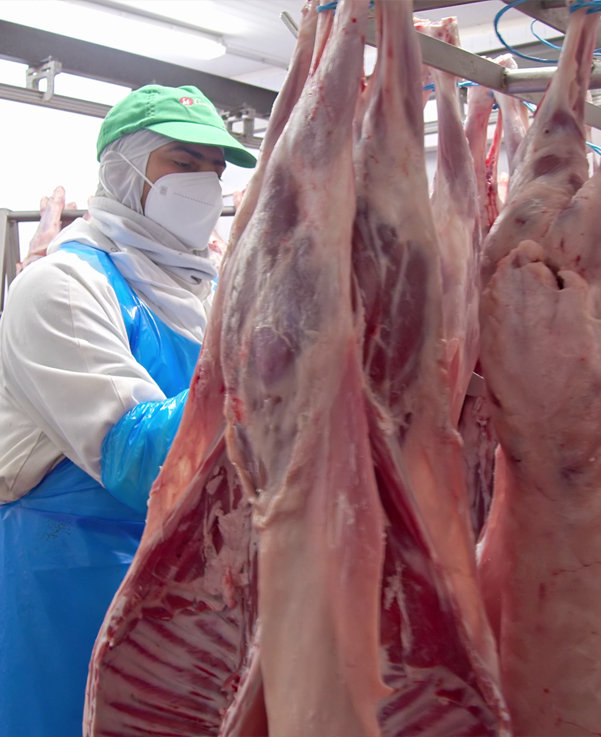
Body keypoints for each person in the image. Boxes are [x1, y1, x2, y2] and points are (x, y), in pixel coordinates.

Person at [0, 84, 256, 737]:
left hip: (191, 570)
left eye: (214, 170)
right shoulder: (62, 286)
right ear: (125, 169)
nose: (203, 184)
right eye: (183, 162)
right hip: (71, 574)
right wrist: (269, 368)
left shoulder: (201, 290)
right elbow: (137, 459)